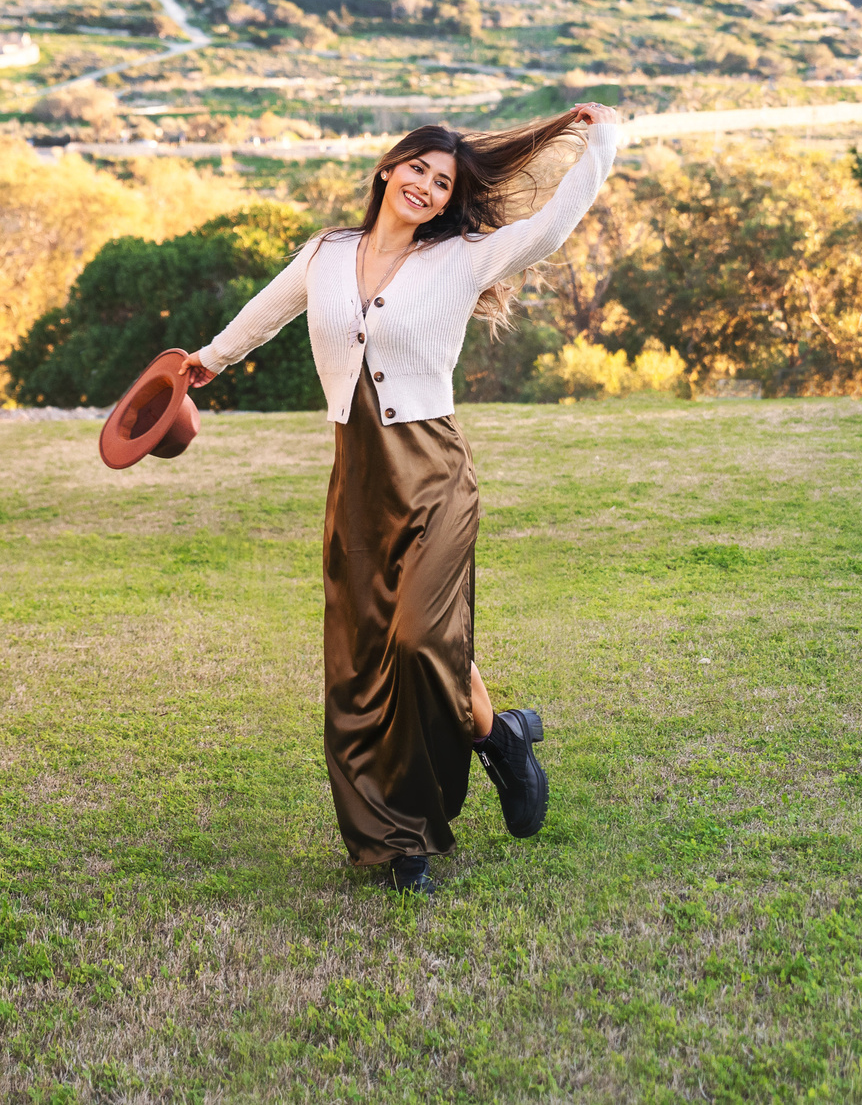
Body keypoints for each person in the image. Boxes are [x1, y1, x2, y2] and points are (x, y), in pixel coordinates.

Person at [185, 103, 624, 894]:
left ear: (450, 196)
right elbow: (266, 312)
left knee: (423, 639)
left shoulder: (461, 257)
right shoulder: (327, 252)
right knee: (361, 668)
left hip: (433, 473)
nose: (425, 184)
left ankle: (500, 741)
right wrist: (203, 363)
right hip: (356, 479)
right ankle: (406, 831)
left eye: (442, 180)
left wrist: (602, 140)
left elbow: (553, 228)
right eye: (417, 167)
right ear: (389, 168)